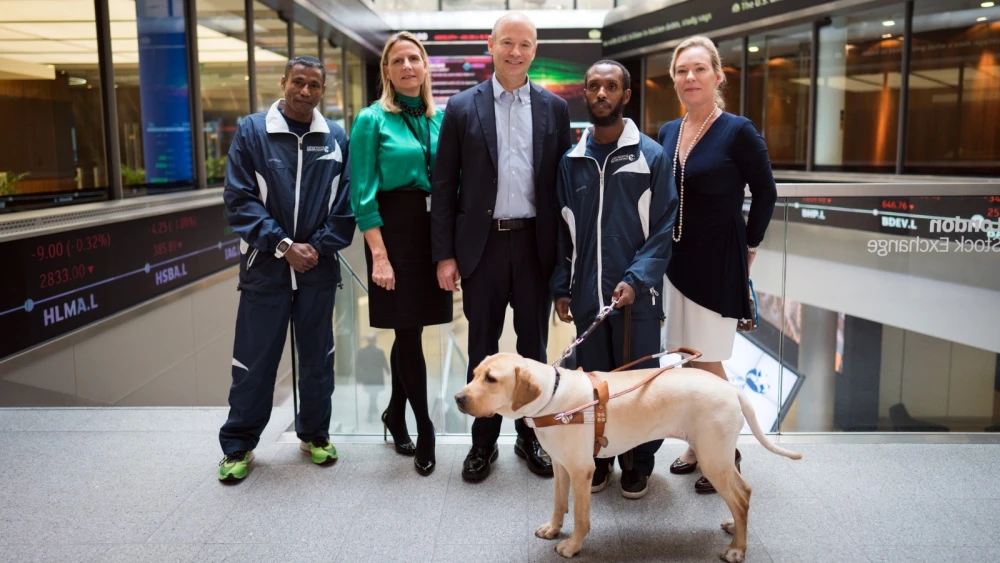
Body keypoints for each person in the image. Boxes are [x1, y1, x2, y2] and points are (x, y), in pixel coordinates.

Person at [432, 12, 572, 482]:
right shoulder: (460, 108)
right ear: (490, 45)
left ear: (535, 50)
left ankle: (531, 439)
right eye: (507, 43)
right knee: (482, 350)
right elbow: (445, 185)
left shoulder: (554, 109)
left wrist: (565, 260)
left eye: (526, 44)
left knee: (533, 353)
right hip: (482, 248)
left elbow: (562, 188)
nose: (516, 52)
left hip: (535, 246)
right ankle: (482, 445)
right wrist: (445, 254)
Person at [218, 56, 354, 481]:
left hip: (318, 270)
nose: (305, 91)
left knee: (318, 360)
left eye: (315, 85)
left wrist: (313, 248)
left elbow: (346, 208)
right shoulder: (253, 131)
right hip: (265, 270)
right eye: (298, 82)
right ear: (283, 82)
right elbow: (239, 200)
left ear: (323, 90)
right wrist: (282, 245)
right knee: (254, 362)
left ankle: (314, 434)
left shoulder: (334, 137)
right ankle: (238, 445)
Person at [551, 60, 678, 499]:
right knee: (591, 383)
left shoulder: (651, 156)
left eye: (611, 87)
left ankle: (639, 464)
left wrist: (637, 280)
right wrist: (561, 285)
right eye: (593, 86)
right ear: (583, 95)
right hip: (588, 295)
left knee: (638, 385)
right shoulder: (572, 159)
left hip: (637, 298)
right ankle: (600, 458)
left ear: (626, 96)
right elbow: (563, 230)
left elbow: (664, 230)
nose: (601, 93)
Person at [657, 36, 777, 494]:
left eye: (699, 69)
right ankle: (696, 444)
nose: (690, 78)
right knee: (685, 363)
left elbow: (766, 193)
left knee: (708, 363)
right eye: (682, 71)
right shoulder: (669, 131)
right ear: (674, 79)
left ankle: (727, 453)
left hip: (718, 262)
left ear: (718, 75)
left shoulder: (737, 130)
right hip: (676, 261)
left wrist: (751, 244)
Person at [350, 31, 453, 476]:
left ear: (425, 66)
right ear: (387, 71)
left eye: (415, 58)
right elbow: (361, 193)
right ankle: (424, 427)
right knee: (408, 332)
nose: (408, 66)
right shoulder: (371, 120)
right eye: (398, 61)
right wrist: (379, 255)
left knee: (407, 328)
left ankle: (394, 413)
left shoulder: (441, 118)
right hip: (392, 231)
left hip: (432, 231)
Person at [356, 333, 389, 423]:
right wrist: (388, 371)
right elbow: (384, 363)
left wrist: (358, 377)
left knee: (373, 394)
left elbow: (358, 365)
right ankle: (372, 410)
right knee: (373, 395)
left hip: (368, 378)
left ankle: (373, 409)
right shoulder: (379, 351)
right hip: (376, 377)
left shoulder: (362, 351)